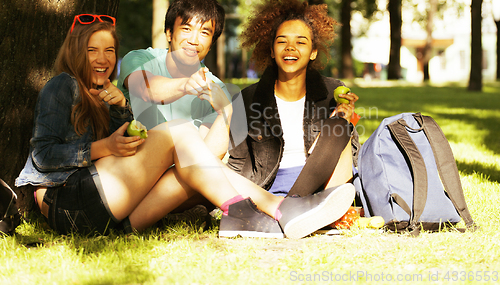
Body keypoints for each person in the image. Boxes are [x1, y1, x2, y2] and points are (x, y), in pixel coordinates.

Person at [15, 13, 355, 239]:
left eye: (109, 51)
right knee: (178, 131)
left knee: (191, 165)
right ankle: (254, 211)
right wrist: (105, 147)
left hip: (113, 216)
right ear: (76, 52)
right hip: (68, 205)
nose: (103, 59)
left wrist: (120, 113)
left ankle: (279, 208)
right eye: (92, 50)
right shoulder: (63, 85)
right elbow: (43, 156)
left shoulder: (109, 96)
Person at [227, 0, 360, 205]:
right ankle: (294, 208)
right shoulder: (247, 99)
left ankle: (314, 207)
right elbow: (238, 163)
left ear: (313, 52)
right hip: (268, 193)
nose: (290, 48)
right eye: (282, 41)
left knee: (339, 126)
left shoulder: (332, 92)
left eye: (301, 42)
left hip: (322, 185)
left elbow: (351, 155)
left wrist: (345, 119)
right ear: (271, 50)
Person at [117, 0, 240, 161]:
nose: (194, 40)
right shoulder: (139, 60)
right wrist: (186, 85)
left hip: (179, 178)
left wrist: (226, 111)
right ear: (169, 33)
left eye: (204, 33)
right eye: (186, 28)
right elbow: (147, 89)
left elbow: (207, 160)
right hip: (132, 169)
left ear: (211, 43)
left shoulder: (215, 90)